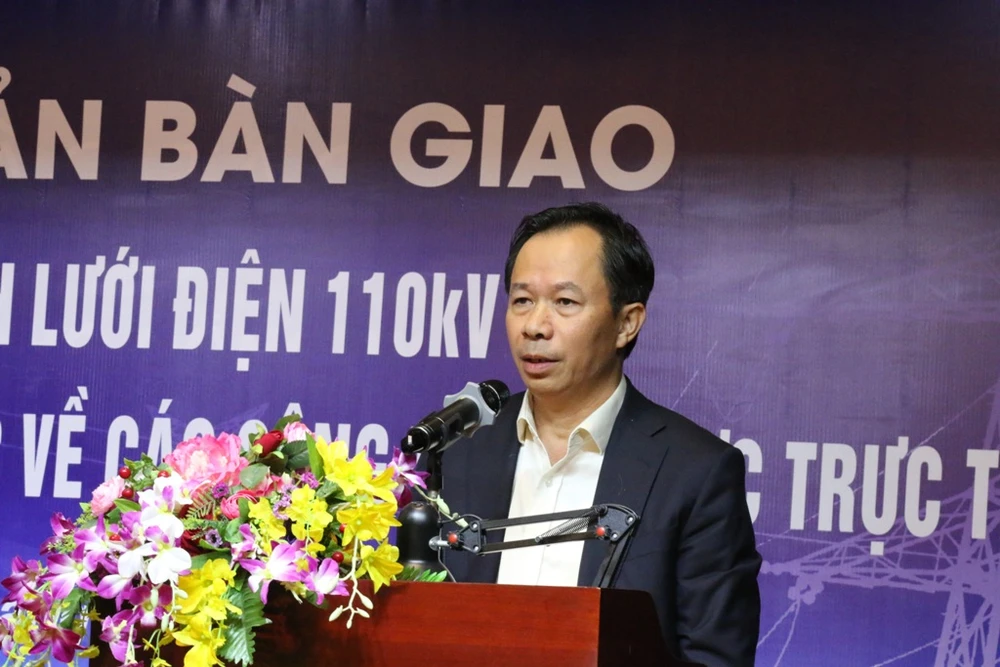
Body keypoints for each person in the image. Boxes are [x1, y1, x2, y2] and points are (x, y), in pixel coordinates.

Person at [438, 202, 761, 666]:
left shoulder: (695, 472)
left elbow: (716, 658)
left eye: (565, 303)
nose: (535, 326)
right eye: (522, 300)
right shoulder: (458, 449)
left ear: (626, 323)